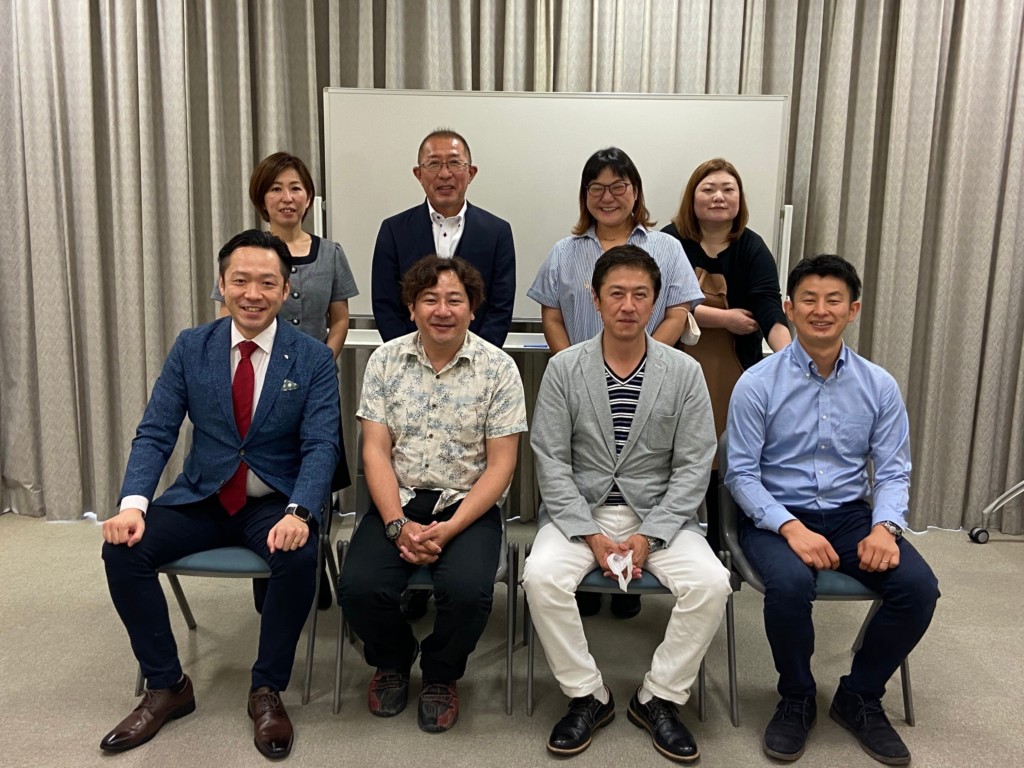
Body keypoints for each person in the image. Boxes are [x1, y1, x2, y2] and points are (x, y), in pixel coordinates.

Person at [101, 230, 340, 760]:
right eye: (241, 281)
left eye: (267, 283)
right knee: (123, 550)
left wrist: (300, 512)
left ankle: (267, 689)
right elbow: (156, 431)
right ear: (222, 284)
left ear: (285, 291)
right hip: (203, 497)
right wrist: (132, 504)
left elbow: (322, 443)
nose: (253, 294)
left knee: (298, 555)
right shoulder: (193, 346)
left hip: (274, 502)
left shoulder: (312, 358)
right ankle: (167, 686)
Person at [725, 254, 939, 765]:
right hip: (776, 516)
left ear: (853, 309)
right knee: (789, 585)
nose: (821, 310)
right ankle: (797, 697)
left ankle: (859, 695)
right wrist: (789, 527)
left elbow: (893, 472)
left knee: (918, 588)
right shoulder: (757, 382)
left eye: (833, 300)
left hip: (850, 516)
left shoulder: (878, 385)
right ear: (789, 308)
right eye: (809, 300)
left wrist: (886, 527)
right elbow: (741, 475)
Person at [524, 245, 729, 763]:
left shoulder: (683, 371)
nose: (628, 305)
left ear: (656, 302)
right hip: (581, 512)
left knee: (711, 583)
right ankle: (587, 694)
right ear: (595, 300)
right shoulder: (564, 368)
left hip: (660, 514)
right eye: (616, 293)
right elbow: (551, 459)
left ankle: (658, 696)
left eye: (641, 295)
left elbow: (694, 464)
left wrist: (650, 535)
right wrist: (590, 535)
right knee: (541, 577)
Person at [338, 256, 527, 734]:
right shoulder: (384, 361)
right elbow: (375, 452)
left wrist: (451, 527)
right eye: (430, 299)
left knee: (467, 593)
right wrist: (397, 523)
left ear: (472, 308)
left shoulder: (499, 369)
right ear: (411, 307)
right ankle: (394, 659)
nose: (442, 310)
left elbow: (501, 465)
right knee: (358, 588)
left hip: (467, 505)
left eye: (454, 300)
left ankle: (441, 672)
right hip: (397, 499)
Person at [528, 146, 704, 620]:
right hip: (580, 383)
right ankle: (588, 569)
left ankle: (633, 572)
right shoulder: (565, 252)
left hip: (650, 379)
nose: (608, 197)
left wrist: (645, 361)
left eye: (618, 186)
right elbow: (551, 314)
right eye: (597, 188)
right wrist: (576, 367)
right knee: (579, 464)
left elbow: (678, 311)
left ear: (636, 191)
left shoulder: (666, 247)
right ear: (584, 195)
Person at [212, 152, 358, 610]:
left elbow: (340, 319)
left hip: (313, 389)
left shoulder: (331, 253)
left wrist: (320, 364)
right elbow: (225, 318)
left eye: (296, 188)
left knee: (315, 472)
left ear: (309, 197)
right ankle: (272, 570)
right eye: (275, 189)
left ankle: (310, 562)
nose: (287, 197)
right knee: (265, 476)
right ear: (262, 199)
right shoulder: (247, 253)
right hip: (258, 389)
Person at [662, 157, 790, 551]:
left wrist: (792, 358)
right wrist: (723, 318)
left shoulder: (752, 247)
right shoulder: (668, 241)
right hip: (674, 367)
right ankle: (667, 543)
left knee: (726, 458)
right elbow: (660, 300)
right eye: (709, 189)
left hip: (734, 372)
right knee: (671, 457)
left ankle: (723, 547)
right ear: (693, 196)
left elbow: (768, 306)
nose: (718, 196)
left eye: (727, 189)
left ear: (739, 198)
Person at [371, 128, 515, 348]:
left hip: (477, 361)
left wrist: (477, 359)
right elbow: (385, 306)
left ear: (471, 173)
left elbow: (500, 308)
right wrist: (413, 356)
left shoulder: (497, 232)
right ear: (418, 174)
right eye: (434, 164)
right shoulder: (393, 230)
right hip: (409, 359)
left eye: (455, 163)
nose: (445, 174)